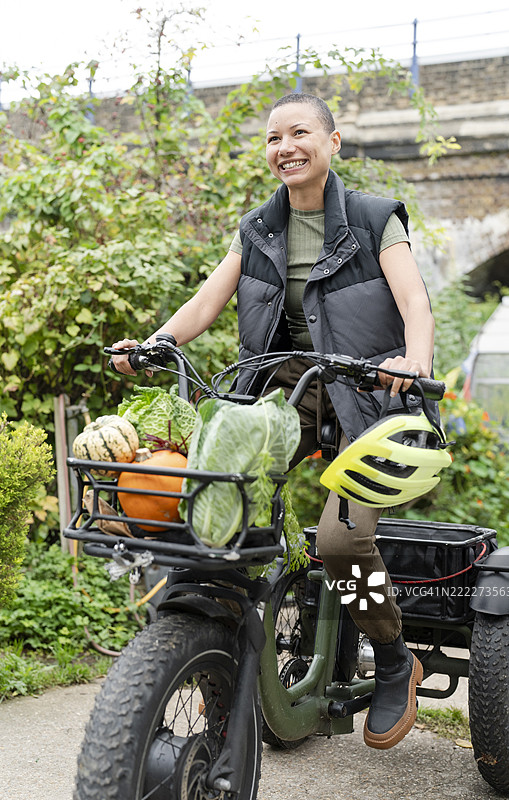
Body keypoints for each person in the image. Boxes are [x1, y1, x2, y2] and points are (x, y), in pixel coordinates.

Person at [112, 92, 436, 750]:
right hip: (277, 394)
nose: (282, 146)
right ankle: (207, 655)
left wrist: (413, 359)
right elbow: (207, 300)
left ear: (333, 141)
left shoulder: (375, 220)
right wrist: (154, 341)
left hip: (364, 392)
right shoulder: (258, 227)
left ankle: (394, 655)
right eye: (270, 138)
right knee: (213, 511)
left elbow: (414, 301)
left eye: (297, 133)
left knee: (342, 544)